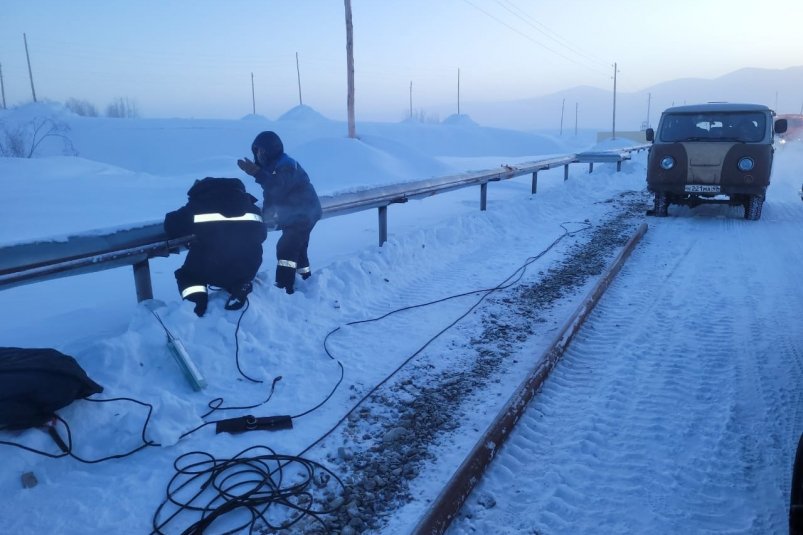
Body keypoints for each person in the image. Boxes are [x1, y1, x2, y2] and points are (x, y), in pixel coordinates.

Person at [164, 177, 267, 316]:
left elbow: (172, 225)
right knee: (243, 262)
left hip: (212, 267)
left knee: (187, 276)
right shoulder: (252, 207)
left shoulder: (199, 205)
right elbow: (262, 235)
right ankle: (240, 285)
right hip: (248, 267)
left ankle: (196, 303)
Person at [237, 131, 322, 295]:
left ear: (271, 149)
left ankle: (284, 288)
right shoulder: (272, 167)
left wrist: (257, 173)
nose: (258, 155)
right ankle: (306, 280)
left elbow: (279, 185)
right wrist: (267, 214)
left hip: (304, 214)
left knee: (286, 249)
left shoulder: (287, 164)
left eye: (261, 151)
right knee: (299, 248)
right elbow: (271, 193)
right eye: (256, 151)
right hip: (298, 214)